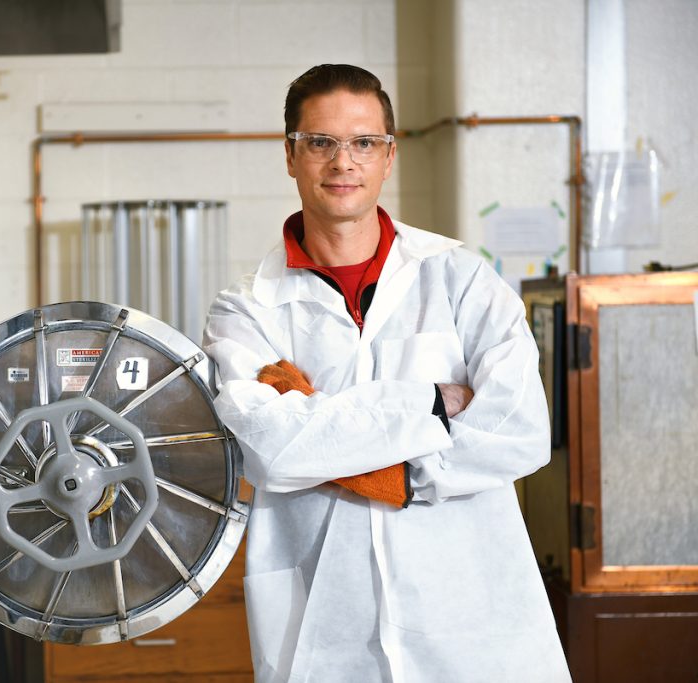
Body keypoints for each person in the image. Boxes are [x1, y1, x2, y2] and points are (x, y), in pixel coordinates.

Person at [202, 64, 570, 683]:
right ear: (290, 156)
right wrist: (434, 405)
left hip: (471, 619)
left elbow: (520, 429)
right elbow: (275, 451)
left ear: (389, 156)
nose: (343, 161)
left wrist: (382, 470)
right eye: (320, 142)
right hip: (326, 624)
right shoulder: (246, 309)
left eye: (363, 142)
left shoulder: (461, 280)